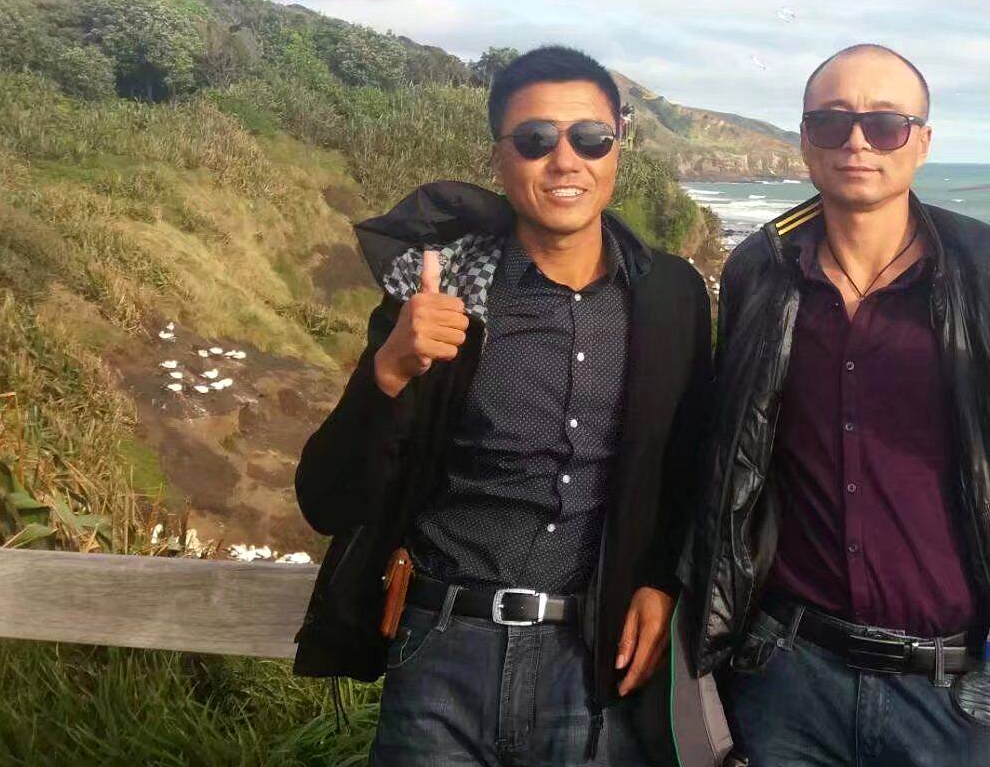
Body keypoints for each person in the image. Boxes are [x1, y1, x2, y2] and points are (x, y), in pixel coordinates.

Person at [685, 43, 990, 766]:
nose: (858, 143)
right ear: (806, 140)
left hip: (953, 695)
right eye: (832, 122)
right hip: (788, 676)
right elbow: (731, 453)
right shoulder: (761, 271)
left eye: (885, 125)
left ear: (923, 142)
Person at [292, 45, 711, 765]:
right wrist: (389, 369)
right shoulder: (444, 298)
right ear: (499, 158)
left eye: (591, 137)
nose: (565, 160)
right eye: (535, 139)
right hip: (441, 654)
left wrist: (661, 582)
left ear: (618, 146)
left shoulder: (671, 296)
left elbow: (691, 463)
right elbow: (327, 499)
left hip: (599, 663)